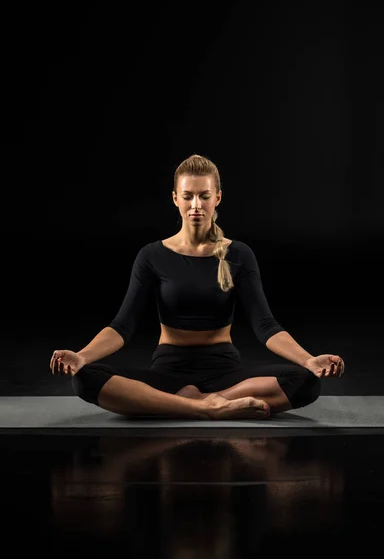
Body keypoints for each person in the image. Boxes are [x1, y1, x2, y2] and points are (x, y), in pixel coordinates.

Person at [50, 154, 345, 420]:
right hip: (168, 371)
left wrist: (309, 359)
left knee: (305, 380)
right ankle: (209, 408)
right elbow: (122, 326)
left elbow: (265, 325)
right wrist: (82, 356)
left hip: (226, 372)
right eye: (188, 196)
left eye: (204, 196)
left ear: (217, 198)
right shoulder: (151, 255)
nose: (196, 205)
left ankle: (179, 405)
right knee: (85, 377)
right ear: (175, 198)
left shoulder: (238, 254)